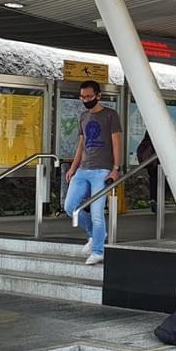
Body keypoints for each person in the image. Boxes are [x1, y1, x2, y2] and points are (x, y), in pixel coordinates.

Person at [64, 80, 123, 265]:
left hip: (102, 171)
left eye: (89, 96)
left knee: (97, 213)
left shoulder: (110, 115)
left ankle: (98, 251)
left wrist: (116, 168)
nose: (85, 100)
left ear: (98, 95)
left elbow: (117, 143)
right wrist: (73, 168)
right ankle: (94, 234)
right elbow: (81, 145)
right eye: (82, 97)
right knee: (70, 207)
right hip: (83, 169)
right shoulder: (83, 117)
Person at [136, 133, 159, 214]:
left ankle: (154, 199)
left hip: (150, 165)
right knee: (160, 182)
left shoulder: (146, 140)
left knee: (153, 181)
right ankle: (157, 200)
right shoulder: (159, 138)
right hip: (158, 164)